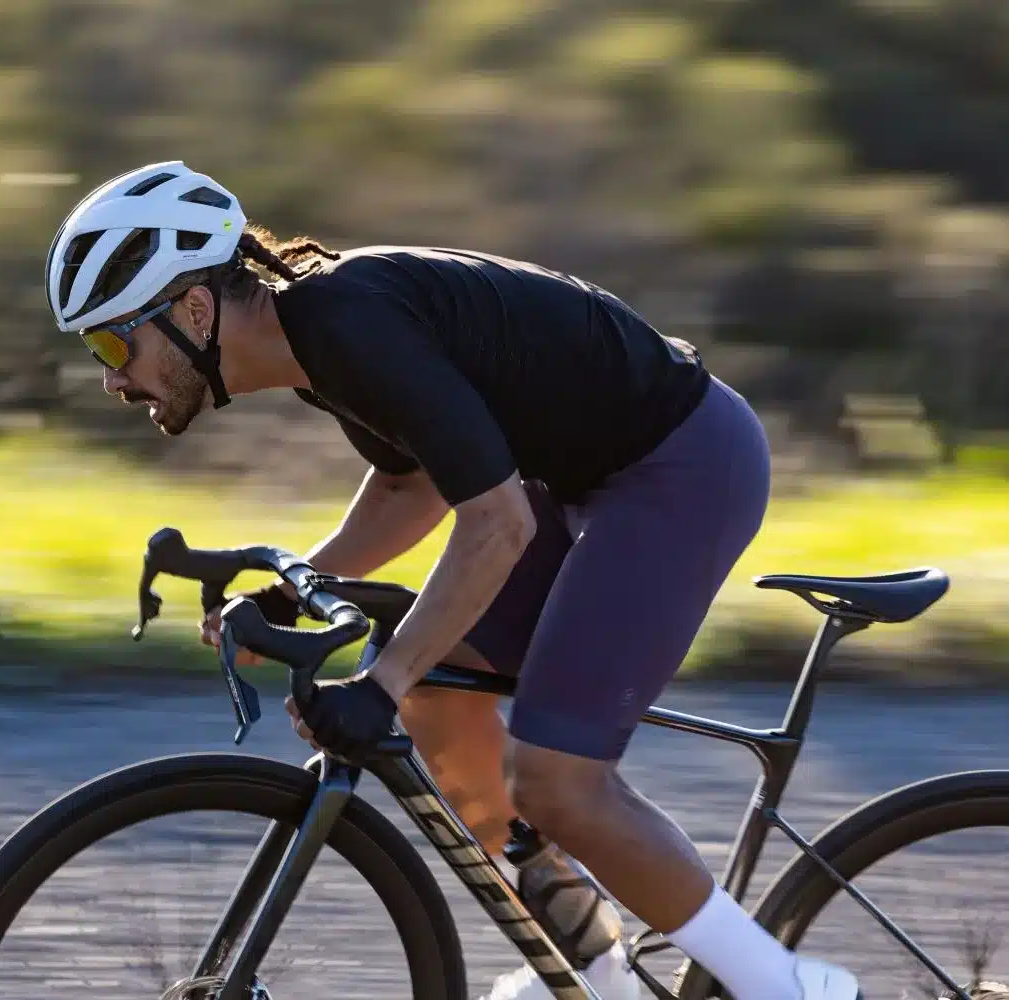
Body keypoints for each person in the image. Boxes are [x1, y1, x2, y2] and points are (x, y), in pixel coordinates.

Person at [45, 160, 860, 1000]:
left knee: (556, 781)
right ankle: (596, 974)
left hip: (682, 465)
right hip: (577, 479)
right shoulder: (316, 340)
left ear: (194, 309)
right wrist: (300, 588)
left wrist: (378, 681)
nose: (110, 376)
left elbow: (497, 524)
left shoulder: (349, 325)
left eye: (114, 342)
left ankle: (788, 988)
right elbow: (413, 485)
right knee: (437, 696)